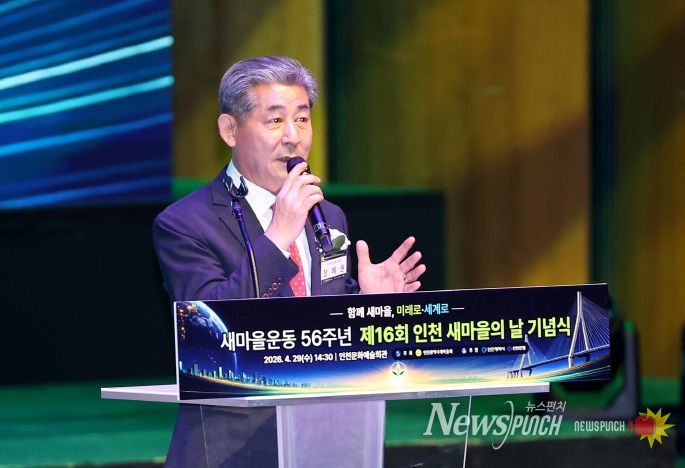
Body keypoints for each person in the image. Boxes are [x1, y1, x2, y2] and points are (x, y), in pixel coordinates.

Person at [153, 55, 426, 302]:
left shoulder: (328, 216)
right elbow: (207, 323)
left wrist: (369, 300)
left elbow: (328, 320)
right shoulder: (184, 224)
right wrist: (278, 237)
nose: (293, 137)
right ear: (230, 130)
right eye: (275, 120)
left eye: (302, 119)